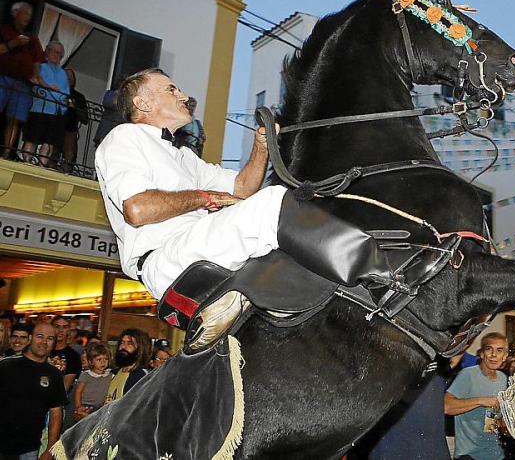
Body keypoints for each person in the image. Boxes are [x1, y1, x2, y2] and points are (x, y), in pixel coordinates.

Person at [94, 68, 458, 352]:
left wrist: (262, 146)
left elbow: (241, 188)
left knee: (281, 219)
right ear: (141, 104)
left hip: (198, 247)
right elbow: (138, 209)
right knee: (271, 205)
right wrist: (208, 199)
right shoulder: (125, 138)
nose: (184, 96)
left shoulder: (183, 156)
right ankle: (383, 274)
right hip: (166, 259)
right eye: (171, 89)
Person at [0, 323, 67, 460]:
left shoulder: (54, 375)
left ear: (54, 343)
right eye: (40, 336)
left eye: (49, 338)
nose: (44, 342)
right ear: (30, 338)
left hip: (29, 448)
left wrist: (50, 449)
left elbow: (56, 414)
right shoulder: (6, 366)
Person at [445, 332, 510, 460]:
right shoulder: (468, 375)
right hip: (470, 455)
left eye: (499, 350)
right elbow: (446, 406)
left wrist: (505, 425)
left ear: (505, 356)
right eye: (489, 349)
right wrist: (482, 401)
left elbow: (495, 418)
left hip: (495, 454)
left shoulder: (503, 379)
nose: (494, 355)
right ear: (481, 353)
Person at [0, 1, 44, 160]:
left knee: (15, 119)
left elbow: (37, 63)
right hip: (2, 78)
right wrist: (15, 43)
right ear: (15, 13)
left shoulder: (33, 40)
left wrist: (36, 77)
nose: (28, 17)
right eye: (25, 13)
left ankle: (6, 152)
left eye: (30, 15)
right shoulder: (4, 30)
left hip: (23, 84)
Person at [20, 41, 69, 166]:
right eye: (55, 51)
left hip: (55, 112)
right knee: (31, 139)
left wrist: (59, 101)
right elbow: (36, 85)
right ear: (47, 51)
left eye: (60, 53)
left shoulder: (63, 74)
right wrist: (51, 90)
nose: (57, 55)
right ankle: (26, 163)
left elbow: (65, 93)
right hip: (38, 109)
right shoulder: (40, 67)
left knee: (49, 143)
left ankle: (42, 167)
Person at [105, 328, 151, 403]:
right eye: (122, 342)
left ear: (140, 349)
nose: (123, 347)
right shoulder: (114, 373)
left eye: (130, 344)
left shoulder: (141, 376)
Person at [73, 343, 112, 421]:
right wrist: (78, 406)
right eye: (99, 359)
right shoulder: (86, 375)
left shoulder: (110, 375)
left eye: (105, 359)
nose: (103, 362)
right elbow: (78, 392)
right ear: (91, 362)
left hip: (101, 407)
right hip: (86, 406)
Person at [61, 68, 88, 173]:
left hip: (71, 129)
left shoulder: (79, 97)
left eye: (71, 77)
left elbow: (85, 119)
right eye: (67, 77)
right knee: (52, 152)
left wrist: (74, 107)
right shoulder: (57, 91)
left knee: (70, 155)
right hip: (56, 126)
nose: (69, 79)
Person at [49, 315, 82, 392]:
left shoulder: (73, 356)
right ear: (51, 328)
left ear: (68, 330)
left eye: (64, 327)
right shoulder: (42, 351)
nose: (60, 330)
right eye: (57, 326)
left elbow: (64, 387)